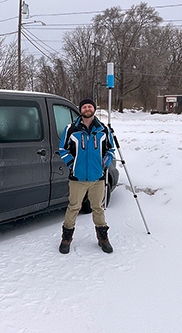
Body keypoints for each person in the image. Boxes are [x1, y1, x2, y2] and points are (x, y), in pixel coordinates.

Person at [58, 98, 115, 254]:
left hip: (97, 177)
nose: (87, 109)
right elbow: (62, 149)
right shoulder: (70, 129)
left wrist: (105, 162)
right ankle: (66, 238)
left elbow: (110, 149)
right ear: (81, 110)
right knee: (73, 207)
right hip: (78, 178)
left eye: (90, 106)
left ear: (94, 109)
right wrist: (72, 165)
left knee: (98, 208)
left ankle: (103, 238)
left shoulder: (103, 129)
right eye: (84, 107)